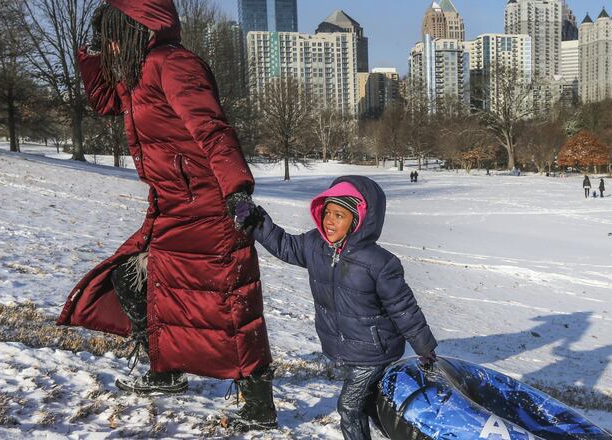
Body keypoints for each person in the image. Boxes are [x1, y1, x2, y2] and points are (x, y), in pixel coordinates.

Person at [56, 0, 276, 433]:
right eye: (106, 37)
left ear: (139, 27)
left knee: (229, 302)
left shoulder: (174, 65)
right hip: (171, 204)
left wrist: (238, 193)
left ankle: (259, 403)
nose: (110, 44)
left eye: (114, 34)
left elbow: (212, 128)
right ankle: (168, 370)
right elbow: (102, 100)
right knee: (143, 283)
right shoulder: (133, 74)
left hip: (211, 206)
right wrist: (91, 50)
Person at [251, 176, 438, 440]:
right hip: (346, 347)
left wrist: (424, 347)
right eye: (327, 212)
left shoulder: (379, 263)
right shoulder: (315, 245)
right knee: (368, 404)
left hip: (375, 351)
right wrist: (256, 222)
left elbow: (402, 307)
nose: (329, 220)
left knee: (348, 407)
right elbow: (284, 245)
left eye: (339, 215)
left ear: (358, 219)